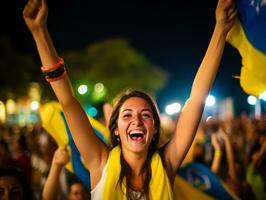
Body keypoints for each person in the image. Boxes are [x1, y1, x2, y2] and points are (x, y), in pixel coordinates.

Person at [22, 0, 237, 199]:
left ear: (154, 129)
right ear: (115, 129)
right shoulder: (100, 162)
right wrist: (39, 32)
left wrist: (220, 29)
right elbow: (67, 100)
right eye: (127, 114)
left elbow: (197, 99)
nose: (137, 120)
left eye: (145, 115)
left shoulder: (167, 163)